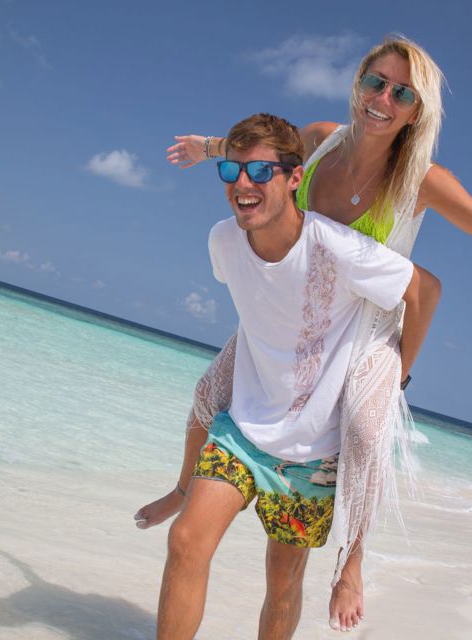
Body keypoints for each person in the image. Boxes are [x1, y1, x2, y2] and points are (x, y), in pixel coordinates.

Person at [139, 35, 472, 631]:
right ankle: (181, 488)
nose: (383, 98)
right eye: (375, 82)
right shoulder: (321, 138)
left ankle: (352, 560)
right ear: (357, 84)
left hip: (369, 328)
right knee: (208, 393)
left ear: (416, 110)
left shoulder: (422, 180)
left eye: (401, 92)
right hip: (293, 315)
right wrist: (208, 148)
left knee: (367, 425)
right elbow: (262, 155)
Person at [157, 112, 425, 640]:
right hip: (243, 433)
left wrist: (398, 373)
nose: (242, 184)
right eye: (232, 171)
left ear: (295, 179)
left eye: (260, 172)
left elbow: (424, 290)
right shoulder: (223, 242)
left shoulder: (337, 249)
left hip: (313, 458)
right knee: (187, 540)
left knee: (282, 582)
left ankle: (354, 563)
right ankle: (180, 490)